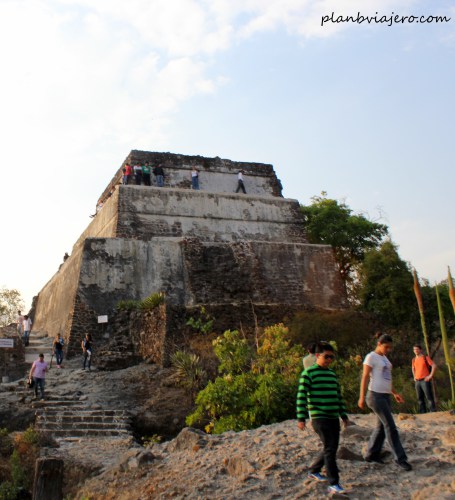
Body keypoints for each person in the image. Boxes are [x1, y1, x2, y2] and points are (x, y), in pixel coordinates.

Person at [297, 342, 350, 495]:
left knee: (330, 447)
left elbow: (338, 396)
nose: (329, 360)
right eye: (327, 357)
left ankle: (314, 470)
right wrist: (301, 418)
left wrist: (344, 415)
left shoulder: (332, 374)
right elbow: (301, 397)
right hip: (319, 417)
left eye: (332, 357)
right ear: (317, 356)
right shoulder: (308, 374)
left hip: (333, 416)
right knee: (331, 449)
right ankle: (334, 483)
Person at [358, 333, 412, 471]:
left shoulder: (384, 358)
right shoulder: (371, 357)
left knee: (381, 427)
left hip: (386, 395)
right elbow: (365, 376)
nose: (388, 349)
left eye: (390, 347)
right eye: (386, 347)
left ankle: (371, 454)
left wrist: (394, 393)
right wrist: (361, 396)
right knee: (390, 426)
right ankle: (400, 459)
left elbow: (386, 378)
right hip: (375, 395)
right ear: (379, 344)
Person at [412, 344, 437, 413]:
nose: (415, 351)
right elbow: (413, 368)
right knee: (420, 398)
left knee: (429, 397)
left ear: (420, 350)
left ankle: (432, 411)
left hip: (425, 380)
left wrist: (430, 376)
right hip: (417, 381)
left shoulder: (425, 358)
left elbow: (434, 366)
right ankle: (422, 412)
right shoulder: (414, 359)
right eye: (414, 349)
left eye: (417, 349)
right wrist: (414, 376)